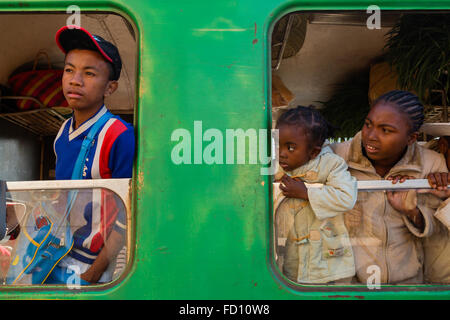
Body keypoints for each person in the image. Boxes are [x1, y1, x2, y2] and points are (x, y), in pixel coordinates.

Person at [330, 90, 447, 284]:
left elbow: (440, 235)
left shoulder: (431, 165)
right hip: (350, 287)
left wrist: (413, 213)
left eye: (386, 130)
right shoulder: (335, 158)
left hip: (408, 287)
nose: (371, 136)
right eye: (368, 124)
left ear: (411, 138)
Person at [48, 25, 135, 284]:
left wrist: (94, 273)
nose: (75, 80)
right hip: (59, 254)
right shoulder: (63, 131)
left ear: (110, 87)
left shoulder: (119, 135)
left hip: (96, 265)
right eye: (69, 70)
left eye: (89, 73)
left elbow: (126, 213)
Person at [273, 105, 357, 284]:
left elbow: (346, 197)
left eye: (290, 147)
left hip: (325, 257)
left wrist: (307, 192)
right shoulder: (275, 165)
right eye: (278, 145)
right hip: (290, 254)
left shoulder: (331, 164)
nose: (281, 153)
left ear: (314, 151)